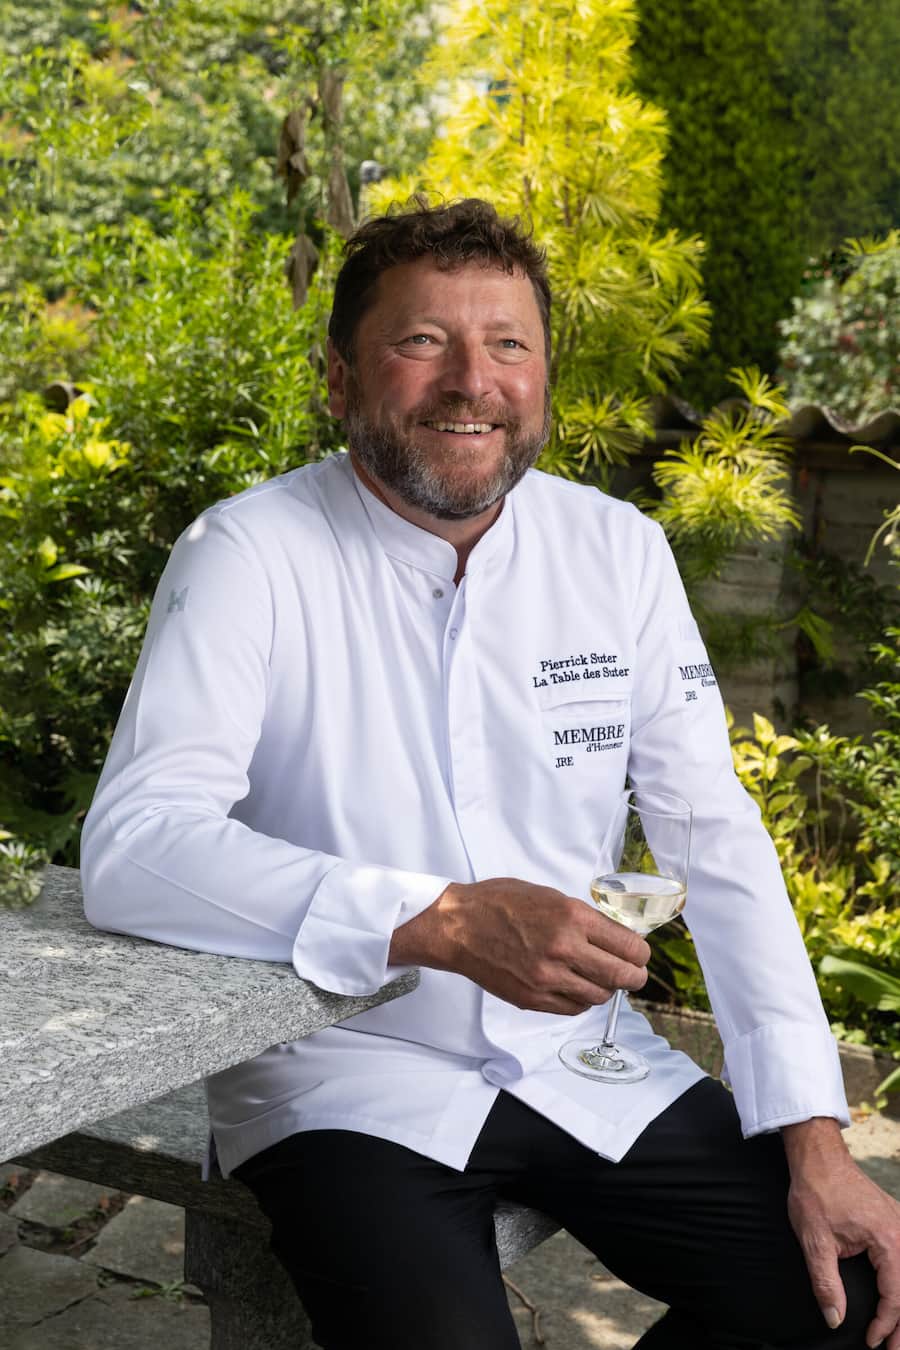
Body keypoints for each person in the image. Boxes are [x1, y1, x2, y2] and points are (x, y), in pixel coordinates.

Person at [80, 197, 900, 1350]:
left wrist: (815, 1139)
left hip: (585, 1059)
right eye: (423, 341)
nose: (473, 379)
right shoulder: (249, 553)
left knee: (858, 1305)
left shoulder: (617, 551)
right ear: (338, 378)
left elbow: (714, 837)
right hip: (346, 1080)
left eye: (508, 344)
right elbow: (137, 848)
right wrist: (440, 919)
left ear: (545, 375)